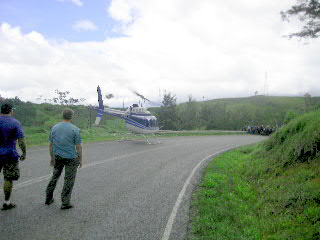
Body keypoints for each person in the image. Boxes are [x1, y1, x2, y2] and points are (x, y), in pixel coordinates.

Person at [45, 108, 82, 209]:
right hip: (71, 158)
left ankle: (48, 198)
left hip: (57, 156)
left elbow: (51, 145)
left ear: (62, 115)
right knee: (69, 180)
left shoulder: (55, 128)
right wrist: (80, 159)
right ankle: (65, 202)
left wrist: (52, 157)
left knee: (55, 176)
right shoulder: (75, 129)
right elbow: (78, 146)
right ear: (71, 116)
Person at [0, 103, 26, 211]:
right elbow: (21, 140)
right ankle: (6, 202)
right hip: (9, 155)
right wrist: (24, 152)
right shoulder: (15, 123)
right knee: (8, 178)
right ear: (11, 111)